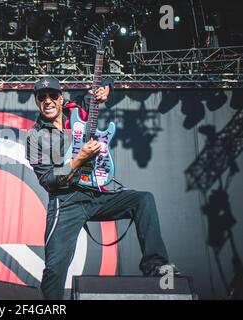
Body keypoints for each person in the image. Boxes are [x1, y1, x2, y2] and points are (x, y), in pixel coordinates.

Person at [26, 77, 178, 300]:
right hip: (66, 201)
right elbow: (48, 180)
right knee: (54, 268)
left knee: (143, 199)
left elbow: (102, 82)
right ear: (36, 101)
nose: (47, 101)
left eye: (52, 96)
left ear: (61, 97)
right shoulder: (35, 136)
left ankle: (156, 265)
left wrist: (107, 88)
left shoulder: (76, 106)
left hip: (97, 193)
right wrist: (79, 159)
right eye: (41, 97)